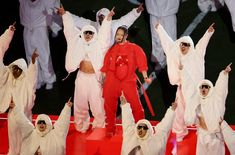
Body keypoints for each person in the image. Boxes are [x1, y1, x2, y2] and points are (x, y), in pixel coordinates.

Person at [155, 22, 215, 142]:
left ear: (190, 46)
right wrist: (159, 29)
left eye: (186, 45)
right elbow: (167, 43)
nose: (183, 47)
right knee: (179, 111)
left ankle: (203, 131)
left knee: (200, 112)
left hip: (197, 91)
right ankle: (179, 132)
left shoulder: (197, 55)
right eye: (182, 44)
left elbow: (202, 44)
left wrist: (208, 33)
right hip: (182, 89)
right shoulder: (176, 54)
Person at [59, 6, 114, 133]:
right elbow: (69, 31)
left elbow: (105, 34)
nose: (88, 35)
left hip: (95, 79)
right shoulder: (77, 42)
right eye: (86, 32)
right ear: (83, 33)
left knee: (98, 104)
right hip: (82, 77)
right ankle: (81, 126)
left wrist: (108, 19)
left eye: (91, 33)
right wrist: (65, 15)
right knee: (80, 103)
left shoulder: (99, 44)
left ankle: (99, 125)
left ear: (94, 34)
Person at [100, 25, 152, 136]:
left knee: (136, 106)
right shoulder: (111, 50)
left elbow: (142, 63)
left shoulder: (134, 48)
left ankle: (141, 128)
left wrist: (146, 77)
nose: (118, 37)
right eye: (117, 34)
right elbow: (105, 67)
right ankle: (110, 129)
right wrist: (103, 80)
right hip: (112, 80)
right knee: (109, 106)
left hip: (128, 81)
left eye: (121, 35)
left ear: (126, 36)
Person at [0, 23, 39, 155]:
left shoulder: (27, 80)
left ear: (23, 69)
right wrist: (8, 33)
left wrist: (33, 62)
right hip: (12, 115)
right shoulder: (9, 78)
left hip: (25, 115)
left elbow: (33, 74)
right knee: (13, 139)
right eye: (14, 68)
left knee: (26, 138)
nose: (15, 70)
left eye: (18, 68)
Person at [185, 63, 232, 155]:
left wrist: (224, 74)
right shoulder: (197, 101)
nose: (204, 89)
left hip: (214, 136)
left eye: (206, 87)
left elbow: (221, 87)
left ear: (210, 88)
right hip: (202, 134)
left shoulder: (216, 98)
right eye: (202, 87)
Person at [18, 0, 62, 90]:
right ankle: (37, 80)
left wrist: (55, 28)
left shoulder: (45, 1)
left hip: (40, 29)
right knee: (30, 57)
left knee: (44, 56)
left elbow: (54, 11)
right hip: (27, 30)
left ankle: (49, 80)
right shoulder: (24, 2)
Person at [61, 3, 144, 45]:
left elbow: (127, 19)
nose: (102, 19)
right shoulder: (91, 26)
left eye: (104, 17)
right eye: (100, 17)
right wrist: (65, 14)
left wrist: (137, 11)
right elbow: (77, 20)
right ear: (98, 17)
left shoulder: (115, 25)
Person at [145, 0, 181, 71]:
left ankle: (173, 59)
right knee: (156, 34)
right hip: (153, 7)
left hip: (169, 9)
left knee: (170, 37)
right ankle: (158, 56)